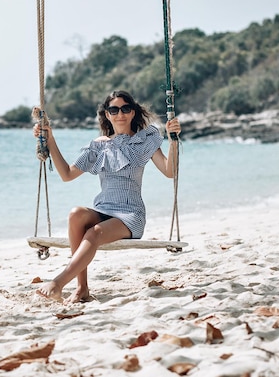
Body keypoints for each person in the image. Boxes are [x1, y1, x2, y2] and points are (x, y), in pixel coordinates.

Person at [32, 90, 181, 304]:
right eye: (114, 109)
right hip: (103, 209)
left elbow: (170, 171)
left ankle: (58, 283)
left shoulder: (144, 140)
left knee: (95, 232)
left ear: (133, 113)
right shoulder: (100, 145)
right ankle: (82, 288)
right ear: (107, 115)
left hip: (131, 215)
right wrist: (51, 139)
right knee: (76, 214)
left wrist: (172, 140)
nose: (120, 114)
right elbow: (66, 174)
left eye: (125, 109)